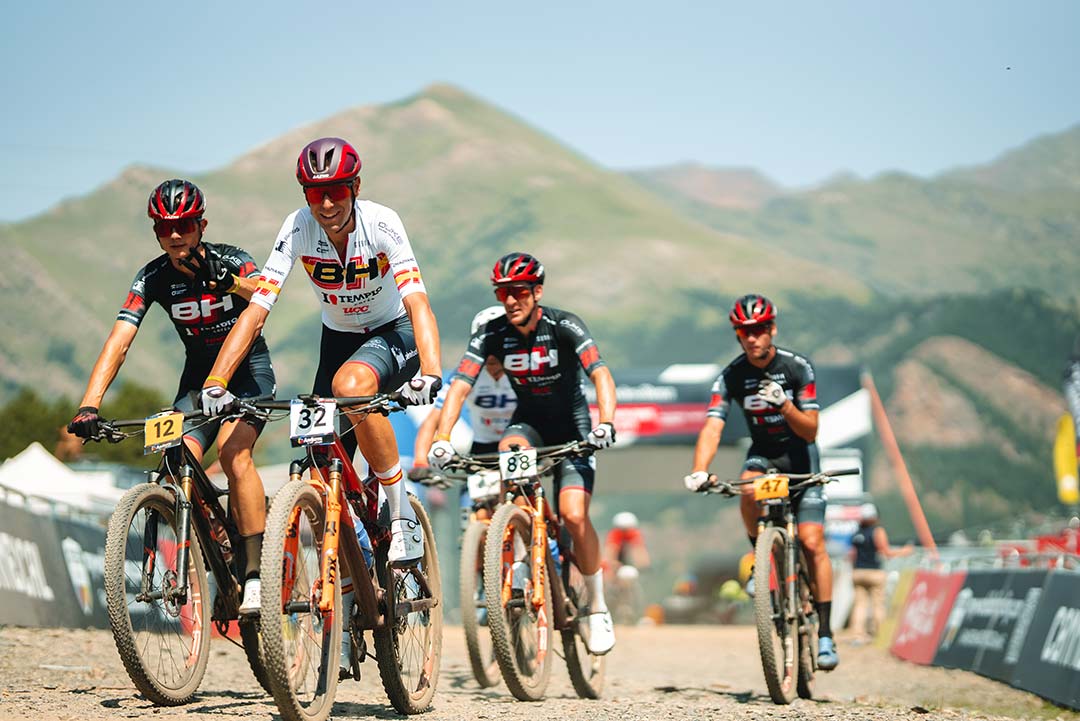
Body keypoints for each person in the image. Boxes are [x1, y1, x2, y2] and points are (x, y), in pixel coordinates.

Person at [199, 137, 442, 566]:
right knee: (320, 479)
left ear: (356, 188)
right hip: (339, 341)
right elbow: (257, 309)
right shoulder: (297, 227)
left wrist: (432, 371)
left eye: (336, 192)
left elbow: (417, 302)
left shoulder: (382, 223)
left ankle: (402, 512)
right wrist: (216, 381)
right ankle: (349, 607)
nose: (326, 203)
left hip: (393, 332)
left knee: (350, 385)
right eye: (315, 194)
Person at [67, 179, 275, 614]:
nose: (175, 236)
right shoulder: (153, 277)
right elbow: (119, 340)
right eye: (164, 228)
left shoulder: (232, 259)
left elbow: (264, 292)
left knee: (236, 457)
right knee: (174, 460)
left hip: (247, 373)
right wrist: (90, 405)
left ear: (201, 224)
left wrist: (229, 282)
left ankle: (255, 573)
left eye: (183, 225)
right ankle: (212, 551)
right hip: (197, 382)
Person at [427, 252, 619, 655]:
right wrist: (443, 437)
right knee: (507, 452)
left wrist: (607, 422)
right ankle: (518, 543)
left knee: (573, 514)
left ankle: (597, 605)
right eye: (503, 293)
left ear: (537, 291)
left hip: (573, 427)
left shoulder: (564, 324)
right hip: (527, 422)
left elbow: (599, 373)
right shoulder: (493, 332)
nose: (510, 300)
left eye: (518, 292)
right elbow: (459, 385)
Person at [683, 293, 840, 670]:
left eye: (759, 330)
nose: (752, 338)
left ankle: (825, 633)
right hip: (764, 454)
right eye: (744, 332)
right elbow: (713, 425)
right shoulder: (732, 375)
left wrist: (785, 405)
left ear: (772, 329)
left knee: (811, 541)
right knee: (747, 486)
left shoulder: (797, 368)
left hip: (800, 457)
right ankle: (761, 559)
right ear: (738, 335)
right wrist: (700, 468)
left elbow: (811, 430)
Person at [410, 305, 517, 511]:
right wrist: (421, 462)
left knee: (526, 504)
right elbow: (433, 420)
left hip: (519, 444)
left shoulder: (523, 367)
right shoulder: (466, 372)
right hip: (482, 448)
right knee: (473, 512)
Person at [848, 502, 913, 643]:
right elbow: (886, 552)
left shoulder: (857, 532)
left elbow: (851, 555)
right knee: (878, 604)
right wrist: (905, 551)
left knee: (860, 605)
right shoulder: (877, 531)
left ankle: (857, 635)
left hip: (858, 572)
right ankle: (880, 635)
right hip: (874, 572)